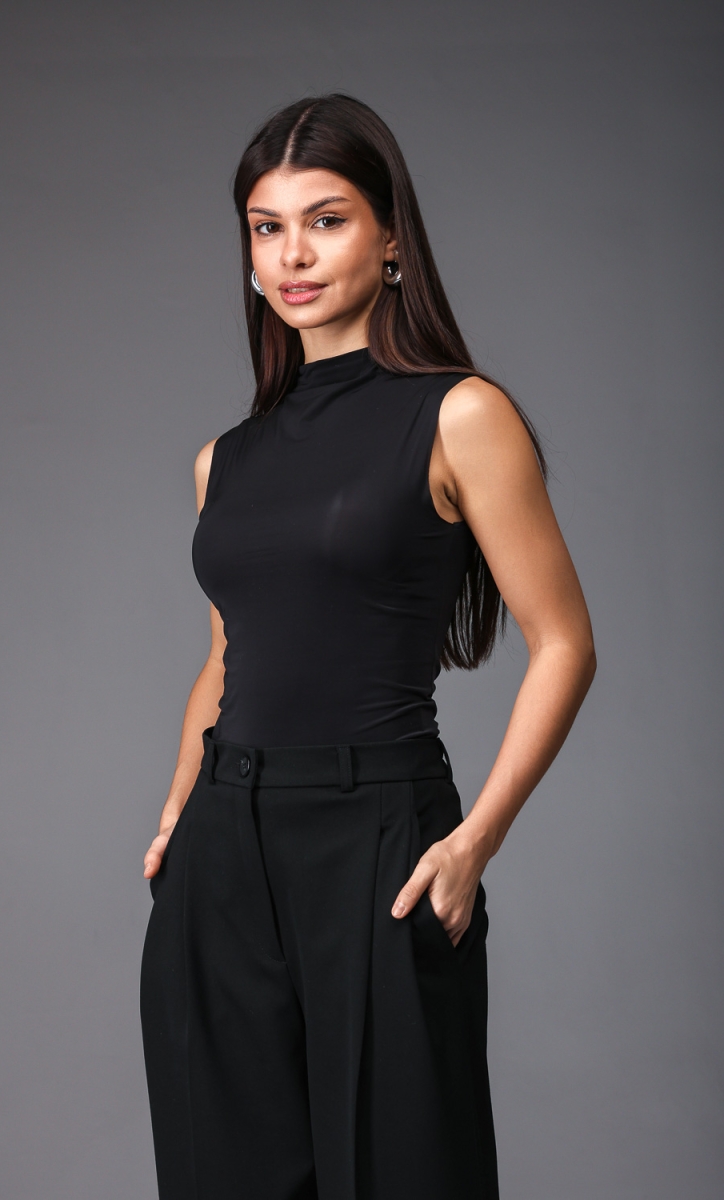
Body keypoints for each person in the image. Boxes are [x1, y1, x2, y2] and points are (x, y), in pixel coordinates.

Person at [139, 93, 596, 1200]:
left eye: (326, 219)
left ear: (391, 238)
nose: (291, 254)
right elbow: (226, 658)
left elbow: (564, 642)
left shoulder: (460, 415)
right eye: (266, 227)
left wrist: (474, 842)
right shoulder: (224, 460)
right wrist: (178, 811)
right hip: (223, 853)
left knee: (402, 1170)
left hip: (379, 842)